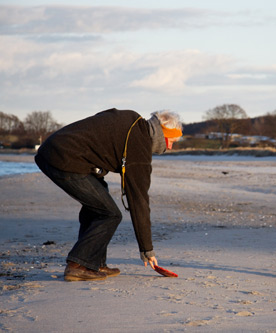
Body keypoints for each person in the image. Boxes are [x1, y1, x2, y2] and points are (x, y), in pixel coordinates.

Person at [35, 108, 183, 281]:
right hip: (63, 159)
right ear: (160, 134)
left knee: (98, 205)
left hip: (55, 151)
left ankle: (94, 263)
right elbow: (139, 200)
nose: (170, 147)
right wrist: (146, 249)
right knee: (109, 214)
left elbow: (99, 128)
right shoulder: (139, 145)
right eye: (170, 141)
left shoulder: (132, 119)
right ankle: (78, 265)